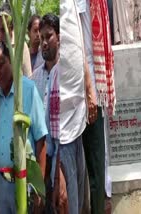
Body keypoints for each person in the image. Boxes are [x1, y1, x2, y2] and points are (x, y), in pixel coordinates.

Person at [0, 41, 47, 213]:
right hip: (1, 185)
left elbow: (41, 139)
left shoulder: (27, 90)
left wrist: (38, 187)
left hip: (24, 183)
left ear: (12, 61)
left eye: (2, 65)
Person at [60, 0, 99, 213]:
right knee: (69, 203)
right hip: (62, 135)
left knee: (82, 203)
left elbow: (79, 47)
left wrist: (89, 88)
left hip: (77, 124)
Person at [79, 0, 115, 213]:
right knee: (92, 162)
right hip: (88, 89)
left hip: (94, 87)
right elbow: (80, 48)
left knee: (96, 160)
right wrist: (90, 90)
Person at [30, 13, 61, 212]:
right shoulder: (35, 79)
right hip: (42, 159)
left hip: (62, 157)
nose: (44, 43)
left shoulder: (66, 73)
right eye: (41, 39)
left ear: (59, 37)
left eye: (48, 37)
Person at [0, 3, 32, 77]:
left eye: (4, 30)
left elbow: (28, 77)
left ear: (12, 28)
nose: (0, 35)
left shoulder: (21, 47)